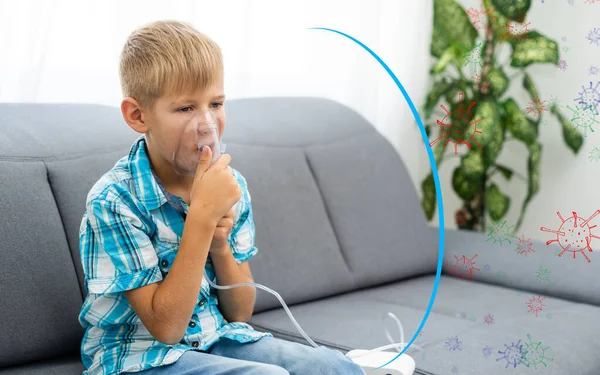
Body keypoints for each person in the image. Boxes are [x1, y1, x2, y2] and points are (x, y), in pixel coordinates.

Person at [77, 20, 366, 375]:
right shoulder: (115, 201)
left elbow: (240, 312)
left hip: (217, 338)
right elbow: (166, 329)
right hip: (136, 358)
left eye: (215, 103)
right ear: (138, 116)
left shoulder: (230, 186)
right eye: (185, 108)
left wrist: (220, 243)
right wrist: (200, 218)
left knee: (333, 366)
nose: (206, 124)